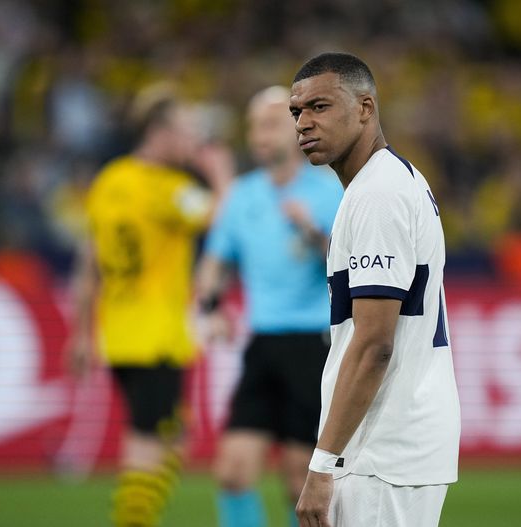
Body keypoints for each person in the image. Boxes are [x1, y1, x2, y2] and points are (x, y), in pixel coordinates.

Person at [289, 53, 461, 527]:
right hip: (394, 448)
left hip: (383, 453)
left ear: (365, 108)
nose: (303, 123)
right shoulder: (392, 180)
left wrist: (321, 466)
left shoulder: (376, 195)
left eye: (319, 107)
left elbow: (373, 345)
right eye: (297, 112)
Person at [66, 87, 232, 527]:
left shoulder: (108, 181)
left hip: (116, 335)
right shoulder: (169, 189)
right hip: (156, 335)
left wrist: (81, 334)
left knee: (173, 435)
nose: (194, 142)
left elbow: (88, 264)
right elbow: (228, 221)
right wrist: (219, 173)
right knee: (148, 446)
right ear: (160, 132)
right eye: (187, 131)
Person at [197, 85, 343, 527]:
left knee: (300, 480)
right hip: (262, 344)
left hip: (313, 345)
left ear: (296, 127)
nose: (258, 136)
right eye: (252, 127)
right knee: (233, 472)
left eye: (268, 125)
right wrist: (211, 307)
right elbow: (215, 264)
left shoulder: (327, 192)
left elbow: (352, 268)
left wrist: (315, 235)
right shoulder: (243, 196)